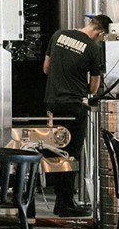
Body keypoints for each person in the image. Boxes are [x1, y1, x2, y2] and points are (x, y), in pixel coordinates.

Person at [42, 13, 109, 216]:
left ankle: (58, 198)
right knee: (71, 153)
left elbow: (46, 68)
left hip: (52, 102)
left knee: (54, 149)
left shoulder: (59, 35)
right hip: (73, 104)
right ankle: (65, 204)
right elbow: (95, 87)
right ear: (100, 32)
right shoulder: (92, 48)